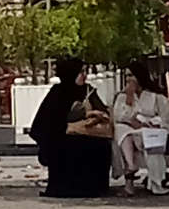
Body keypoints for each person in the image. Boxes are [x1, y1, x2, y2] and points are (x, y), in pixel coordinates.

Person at [28, 57, 113, 197]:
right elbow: (48, 122)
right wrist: (82, 114)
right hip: (63, 137)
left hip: (89, 134)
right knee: (67, 147)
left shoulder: (88, 90)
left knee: (101, 146)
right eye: (81, 72)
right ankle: (66, 188)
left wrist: (98, 115)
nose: (84, 75)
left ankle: (94, 188)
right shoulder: (57, 93)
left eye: (85, 71)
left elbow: (102, 109)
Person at [110, 61, 169, 195]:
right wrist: (128, 101)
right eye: (126, 76)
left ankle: (154, 182)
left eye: (131, 75)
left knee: (135, 136)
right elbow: (118, 117)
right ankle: (130, 168)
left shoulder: (156, 97)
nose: (128, 79)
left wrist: (148, 122)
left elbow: (165, 118)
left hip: (150, 133)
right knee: (122, 130)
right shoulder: (122, 97)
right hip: (128, 134)